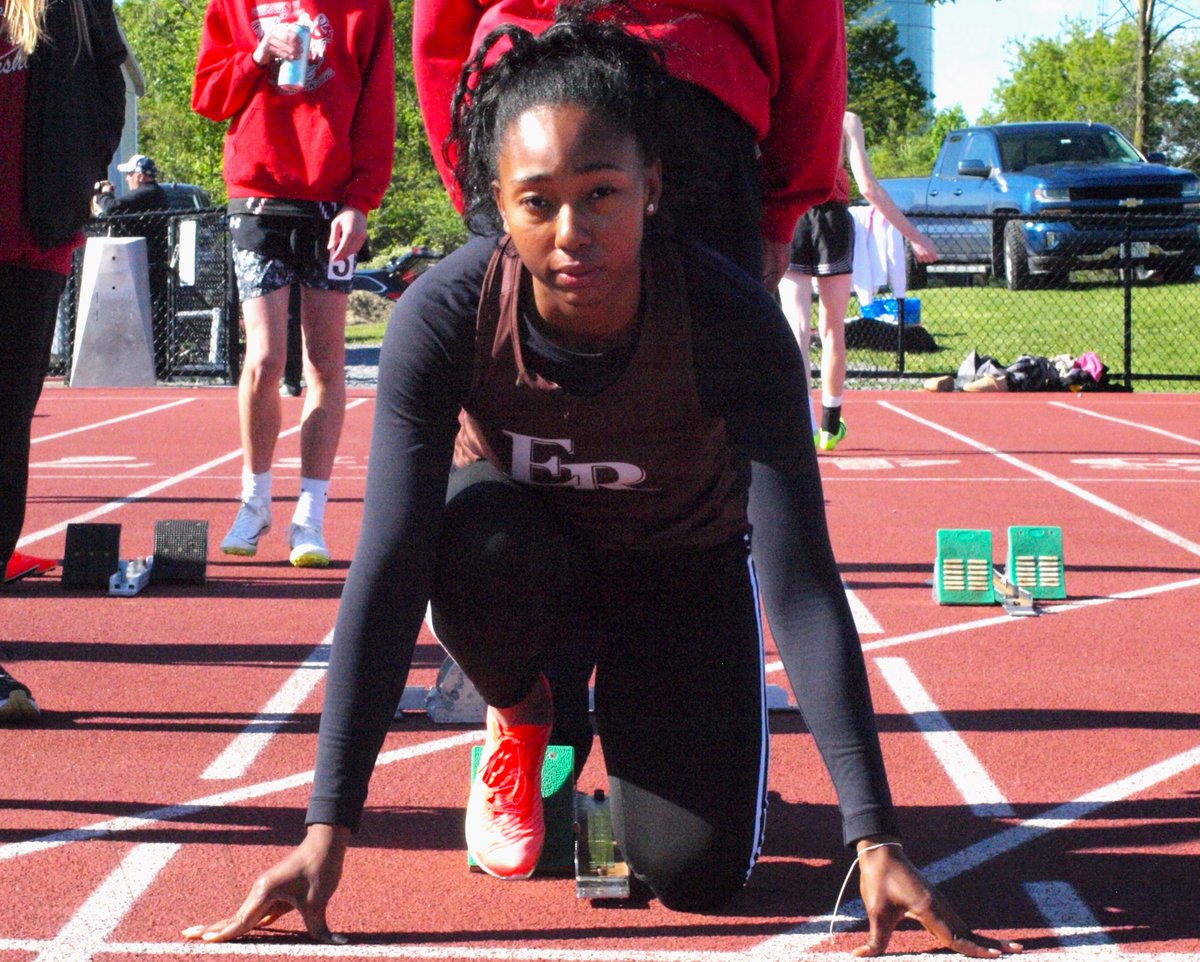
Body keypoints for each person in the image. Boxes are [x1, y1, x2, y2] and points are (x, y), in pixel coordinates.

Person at [182, 10, 1022, 958]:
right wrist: (326, 829)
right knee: (474, 538)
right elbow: (388, 570)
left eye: (603, 195)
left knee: (696, 876)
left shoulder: (731, 320)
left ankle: (654, 694)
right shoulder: (442, 318)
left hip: (677, 560)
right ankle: (528, 710)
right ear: (497, 203)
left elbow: (801, 577)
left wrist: (874, 833)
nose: (572, 231)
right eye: (538, 201)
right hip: (526, 555)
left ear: (653, 190)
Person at [412, 0, 847, 290]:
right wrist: (782, 208)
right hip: (694, 94)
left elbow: (438, 30)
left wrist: (470, 186)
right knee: (716, 379)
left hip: (521, 95)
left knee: (517, 387)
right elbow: (811, 34)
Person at [192, 0, 394, 567]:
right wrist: (258, 53)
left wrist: (360, 201)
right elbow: (207, 98)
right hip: (258, 196)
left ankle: (311, 515)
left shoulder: (367, 9)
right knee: (263, 357)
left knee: (326, 363)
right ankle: (254, 500)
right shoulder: (235, 4)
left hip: (331, 201)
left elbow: (378, 110)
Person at [1, 0, 126, 721]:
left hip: (31, 243)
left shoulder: (73, 5)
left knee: (4, 449)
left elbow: (107, 87)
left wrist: (76, 179)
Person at [778, 110, 939, 451]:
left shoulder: (788, 111)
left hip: (793, 215)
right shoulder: (845, 120)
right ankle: (828, 426)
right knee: (832, 328)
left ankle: (801, 424)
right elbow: (867, 186)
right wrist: (914, 235)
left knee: (797, 328)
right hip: (832, 221)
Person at [91, 153, 168, 215]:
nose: (127, 178)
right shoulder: (155, 191)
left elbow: (111, 208)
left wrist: (105, 193)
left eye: (129, 174)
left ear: (140, 176)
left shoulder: (146, 192)